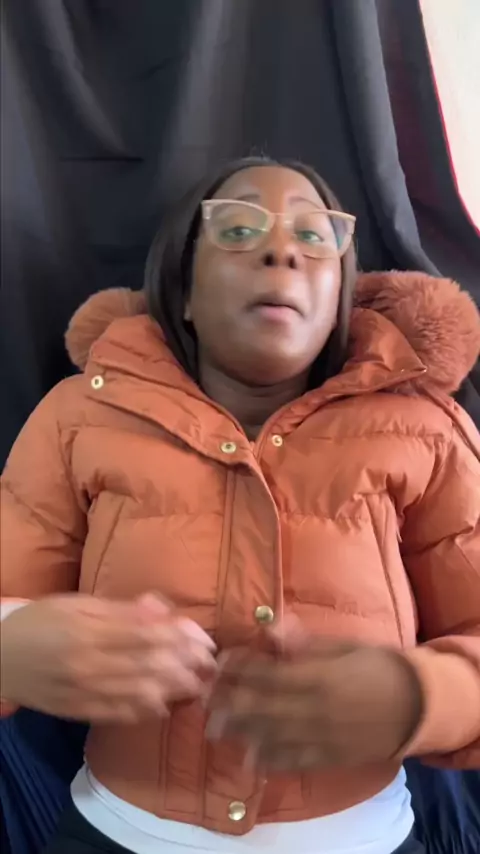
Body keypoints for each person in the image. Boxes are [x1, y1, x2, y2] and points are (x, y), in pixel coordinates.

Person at [1, 156, 479, 854]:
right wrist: (8, 646)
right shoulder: (77, 417)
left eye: (313, 235)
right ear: (185, 293)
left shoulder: (428, 433)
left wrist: (420, 697)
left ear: (339, 299)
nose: (281, 249)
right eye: (238, 227)